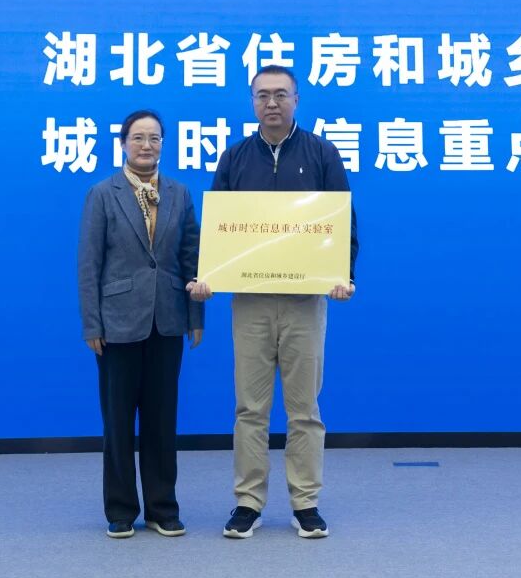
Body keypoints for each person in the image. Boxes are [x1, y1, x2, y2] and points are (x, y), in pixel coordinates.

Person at [199, 65, 358, 539]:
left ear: (296, 100)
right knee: (250, 409)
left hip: (305, 301)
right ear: (252, 102)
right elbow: (219, 230)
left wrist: (342, 274)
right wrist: (210, 275)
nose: (272, 103)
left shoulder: (321, 153)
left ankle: (305, 502)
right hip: (250, 301)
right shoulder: (235, 157)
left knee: (304, 409)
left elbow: (343, 221)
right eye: (263, 95)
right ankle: (247, 502)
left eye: (281, 94)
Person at [78, 110, 211, 538]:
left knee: (161, 421)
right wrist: (91, 324)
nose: (146, 145)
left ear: (163, 144)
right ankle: (120, 509)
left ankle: (162, 508)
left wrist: (195, 317)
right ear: (123, 143)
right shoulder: (102, 194)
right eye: (138, 137)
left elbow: (191, 259)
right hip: (116, 324)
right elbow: (89, 264)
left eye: (154, 138)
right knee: (118, 422)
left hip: (167, 321)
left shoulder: (179, 193)